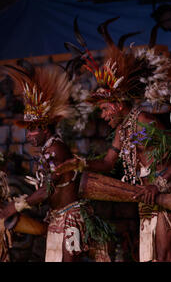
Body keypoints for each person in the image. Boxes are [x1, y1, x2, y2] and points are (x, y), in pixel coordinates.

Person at [58, 18, 171, 262]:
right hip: (147, 200)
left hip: (165, 198)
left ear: (118, 104)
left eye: (104, 109)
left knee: (163, 258)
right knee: (148, 257)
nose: (103, 116)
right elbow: (107, 163)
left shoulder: (144, 122)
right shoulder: (124, 130)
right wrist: (79, 163)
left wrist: (161, 183)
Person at [0, 63, 110, 262]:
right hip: (58, 217)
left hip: (69, 219)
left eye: (32, 129)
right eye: (27, 129)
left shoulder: (55, 149)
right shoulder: (47, 149)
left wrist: (16, 206)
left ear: (44, 127)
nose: (28, 135)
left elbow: (48, 189)